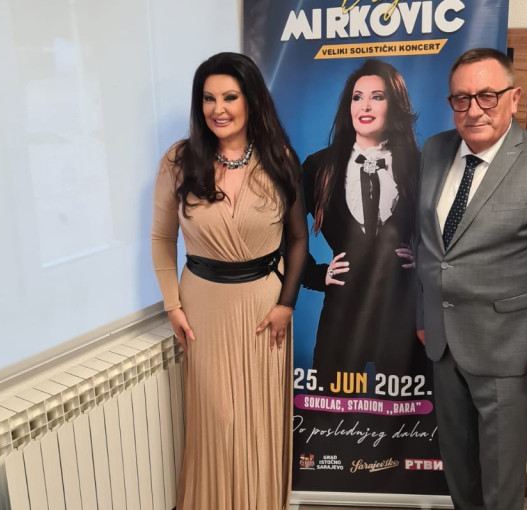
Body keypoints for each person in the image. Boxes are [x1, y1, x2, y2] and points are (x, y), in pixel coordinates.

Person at [415, 48, 527, 509]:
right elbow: (426, 244)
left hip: (509, 352)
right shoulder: (434, 151)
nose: (474, 110)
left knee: (499, 481)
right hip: (443, 345)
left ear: (514, 98)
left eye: (487, 96)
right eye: (461, 98)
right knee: (459, 469)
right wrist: (424, 314)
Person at [151, 52, 307, 510]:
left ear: (251, 101)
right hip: (203, 307)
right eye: (208, 98)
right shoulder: (179, 161)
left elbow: (299, 239)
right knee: (217, 420)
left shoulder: (280, 158)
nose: (218, 109)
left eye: (230, 97)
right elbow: (161, 238)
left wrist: (287, 304)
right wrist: (172, 305)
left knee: (259, 417)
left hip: (265, 308)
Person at [302, 59, 423, 387]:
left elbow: (450, 233)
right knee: (330, 408)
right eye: (358, 97)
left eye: (377, 97)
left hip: (401, 317)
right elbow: (285, 232)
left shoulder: (419, 166)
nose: (365, 106)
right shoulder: (318, 167)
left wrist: (424, 261)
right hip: (341, 316)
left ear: (394, 105)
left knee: (406, 412)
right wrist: (314, 274)